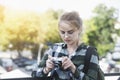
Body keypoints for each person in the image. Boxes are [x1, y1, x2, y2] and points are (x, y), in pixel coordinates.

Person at [32, 11, 100, 80]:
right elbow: (34, 73)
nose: (66, 36)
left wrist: (73, 69)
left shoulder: (91, 52)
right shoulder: (54, 49)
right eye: (62, 32)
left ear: (79, 29)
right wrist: (46, 69)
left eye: (70, 32)